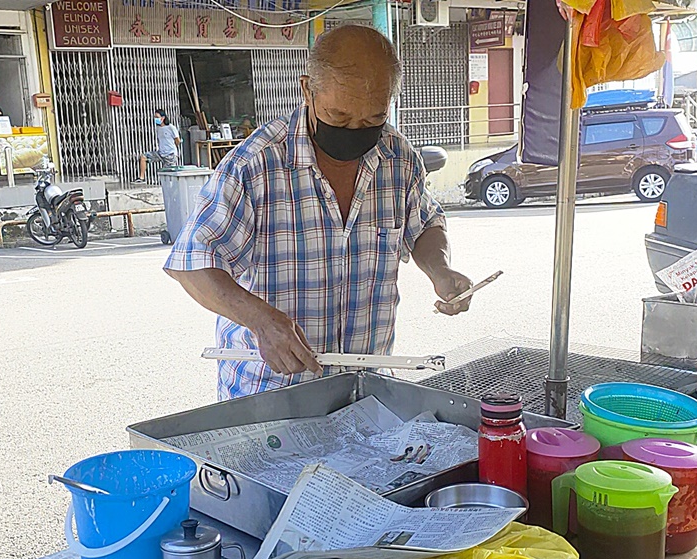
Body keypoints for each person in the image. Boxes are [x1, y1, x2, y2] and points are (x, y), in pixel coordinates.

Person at [164, 25, 473, 400]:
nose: (356, 130)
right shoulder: (255, 165)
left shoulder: (398, 158)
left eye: (373, 119)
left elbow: (424, 225)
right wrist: (261, 321)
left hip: (366, 390)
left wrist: (439, 269)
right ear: (307, 90)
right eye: (340, 117)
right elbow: (192, 264)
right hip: (270, 391)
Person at [137, 109, 181, 182]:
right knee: (143, 157)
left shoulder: (171, 127)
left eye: (157, 117)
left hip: (170, 155)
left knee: (168, 175)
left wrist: (172, 148)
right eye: (155, 117)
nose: (155, 119)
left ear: (163, 118)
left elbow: (177, 140)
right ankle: (141, 178)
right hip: (160, 153)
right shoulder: (158, 128)